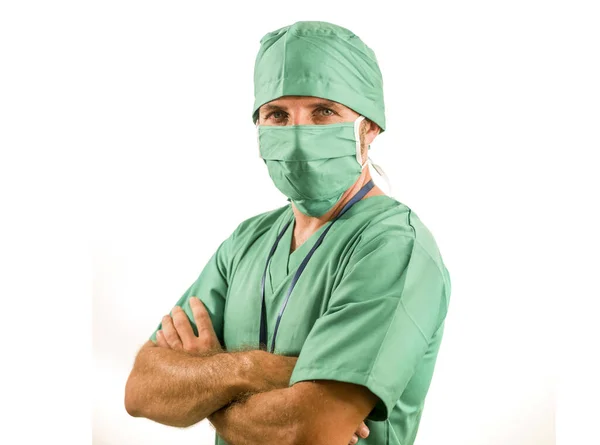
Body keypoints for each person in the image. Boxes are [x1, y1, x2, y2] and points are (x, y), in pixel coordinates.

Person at [125, 20, 451, 445]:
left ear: (369, 127)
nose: (298, 135)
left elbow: (308, 432)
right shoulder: (248, 240)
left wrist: (204, 385)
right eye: (277, 115)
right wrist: (259, 371)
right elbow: (142, 390)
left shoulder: (393, 248)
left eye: (323, 112)